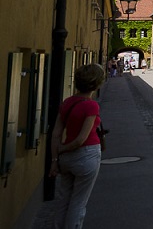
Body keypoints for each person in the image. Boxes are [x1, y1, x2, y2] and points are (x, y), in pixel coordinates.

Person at [49, 63, 107, 229]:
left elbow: (56, 134)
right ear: (96, 84)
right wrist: (63, 149)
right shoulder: (91, 105)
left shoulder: (67, 102)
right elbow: (81, 139)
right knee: (78, 202)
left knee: (64, 199)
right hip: (86, 155)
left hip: (65, 160)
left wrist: (55, 159)